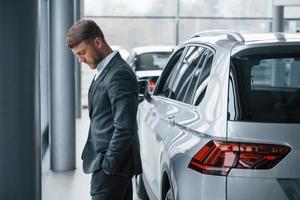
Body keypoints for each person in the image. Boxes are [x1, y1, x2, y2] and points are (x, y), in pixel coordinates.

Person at [66, 19, 142, 200]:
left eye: (82, 53)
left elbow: (125, 127)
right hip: (111, 165)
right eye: (77, 55)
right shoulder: (105, 70)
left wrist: (108, 165)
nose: (80, 59)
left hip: (112, 167)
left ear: (98, 42)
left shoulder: (118, 74)